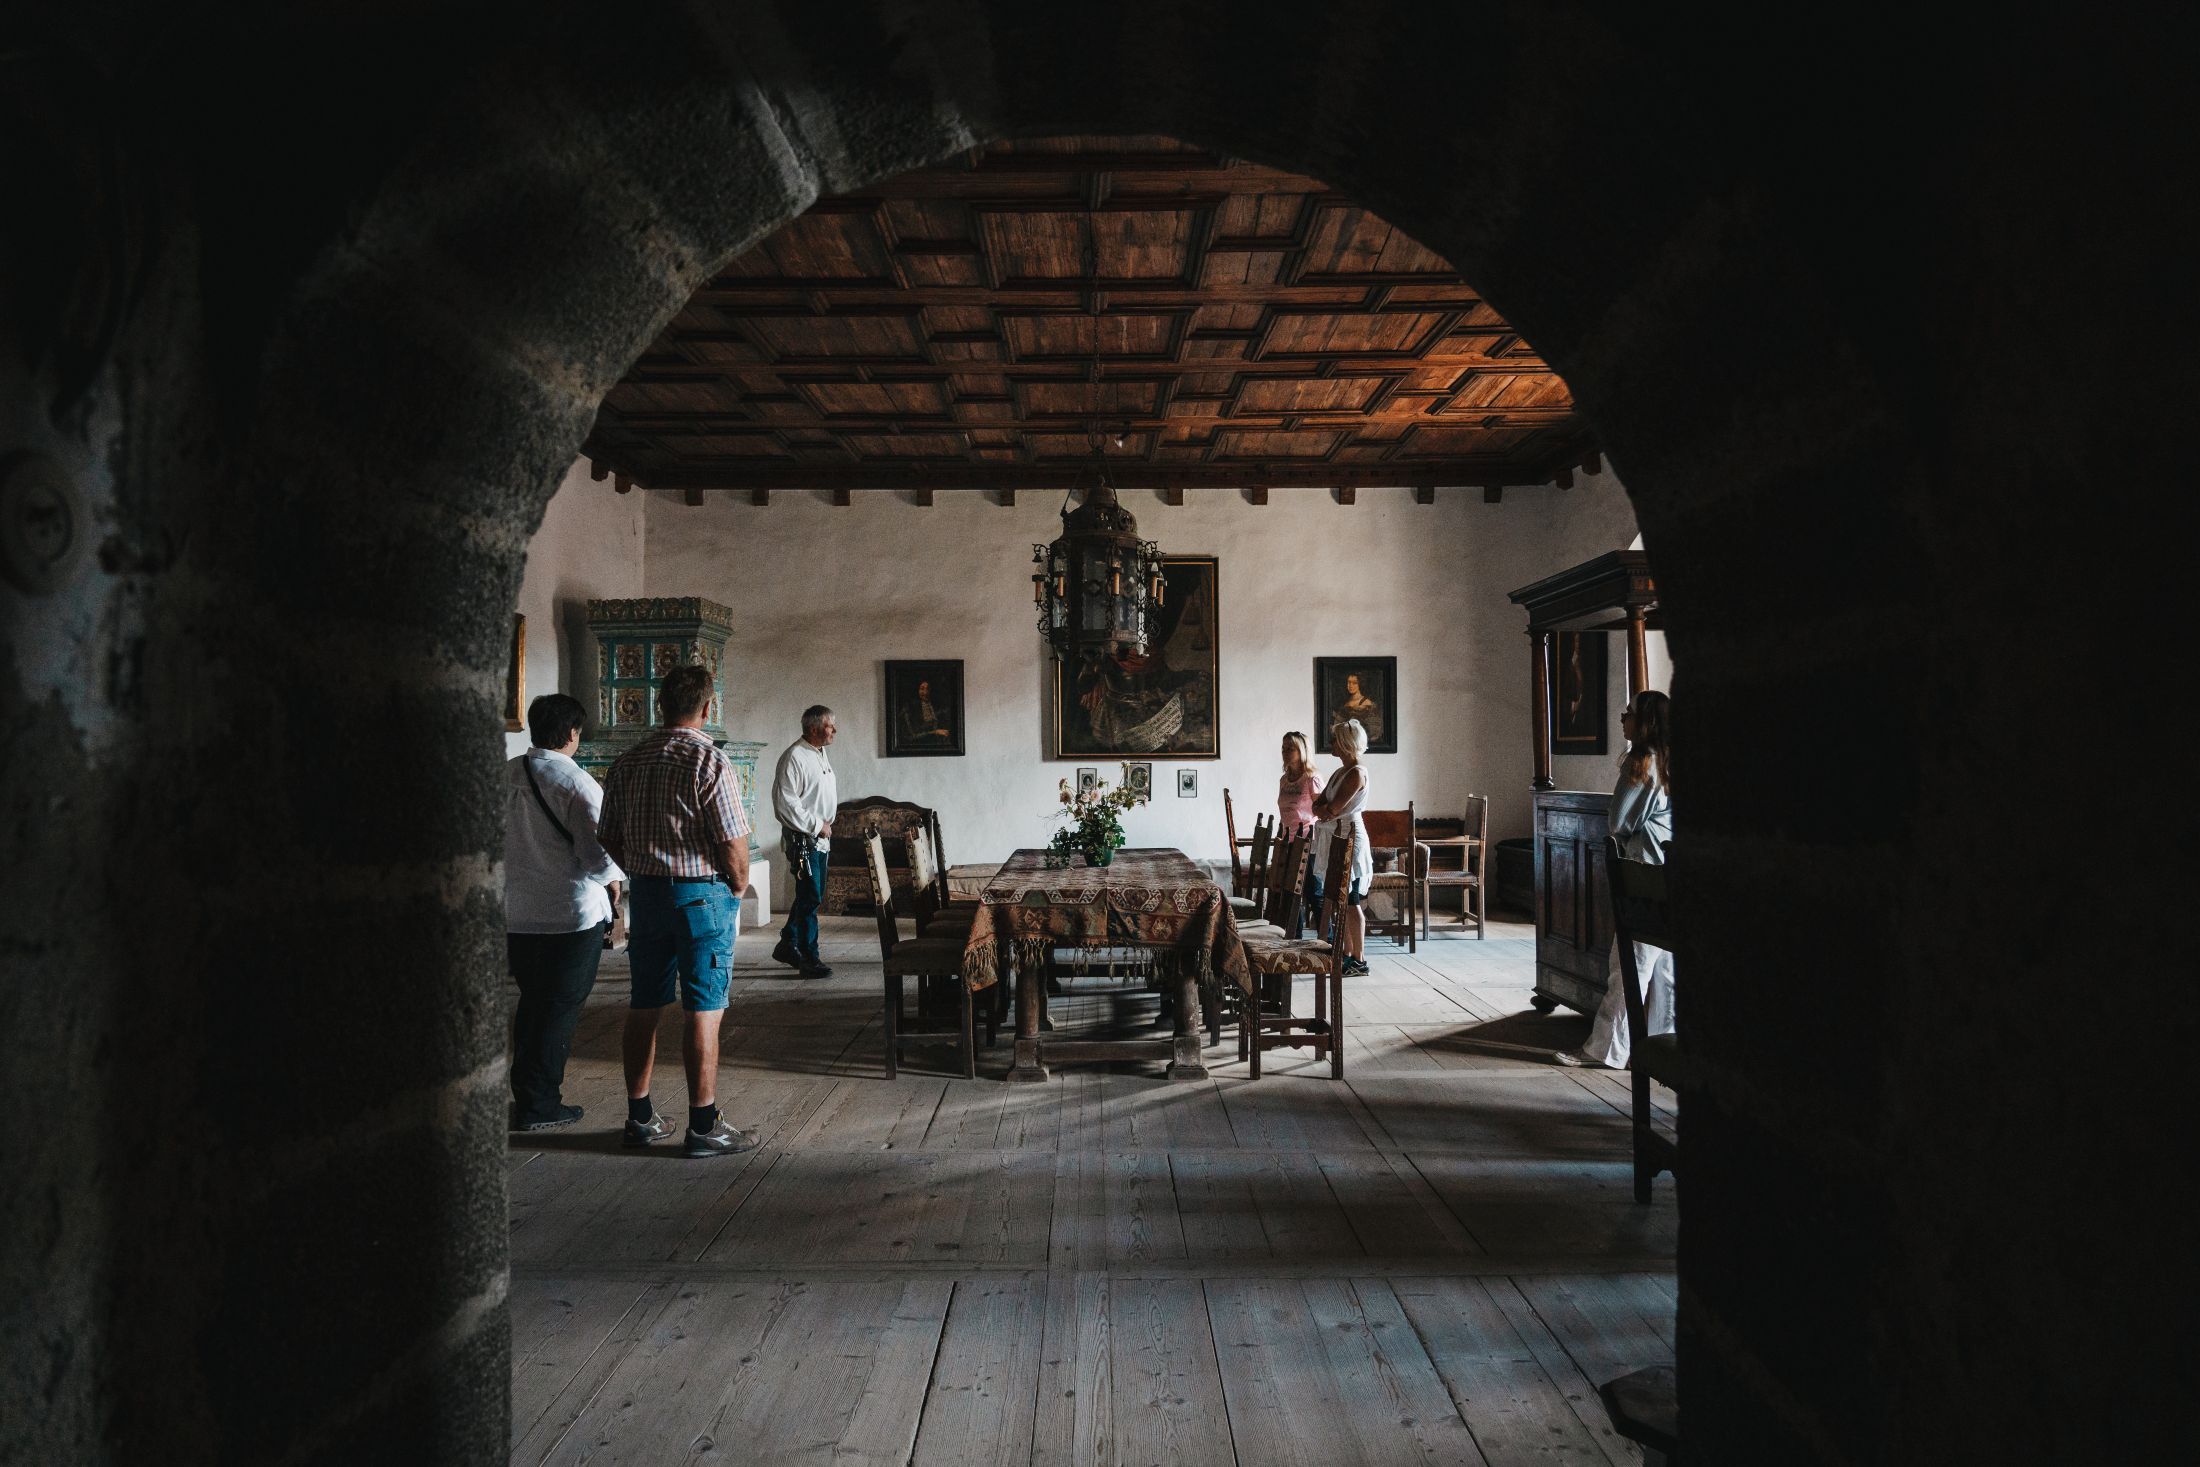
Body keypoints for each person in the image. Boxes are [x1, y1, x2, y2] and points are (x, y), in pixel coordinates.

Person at [596, 663, 759, 1157]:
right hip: (700, 895)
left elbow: (608, 836)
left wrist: (644, 871)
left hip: (647, 895)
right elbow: (733, 845)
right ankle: (704, 1126)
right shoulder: (709, 763)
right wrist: (736, 886)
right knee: (704, 1008)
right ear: (708, 708)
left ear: (658, 704)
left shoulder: (628, 761)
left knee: (644, 1002)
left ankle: (640, 1116)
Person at [503, 693, 624, 1131]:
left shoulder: (506, 774)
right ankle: (539, 1106)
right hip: (567, 917)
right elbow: (597, 855)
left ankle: (528, 1095)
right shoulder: (576, 784)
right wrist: (615, 878)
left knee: (533, 1006)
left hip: (516, 914)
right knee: (557, 1012)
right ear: (573, 734)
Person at [1556, 689, 1675, 1069]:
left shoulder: (1642, 761)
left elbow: (1619, 820)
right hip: (1673, 868)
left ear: (1644, 722)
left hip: (1644, 871)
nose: (1622, 719)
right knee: (1667, 969)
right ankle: (1662, 1047)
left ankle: (1605, 1050)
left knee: (1629, 964)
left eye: (1628, 714)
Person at [770, 705, 839, 978]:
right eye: (829, 725)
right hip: (804, 839)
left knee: (812, 895)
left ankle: (788, 942)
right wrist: (816, 825)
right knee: (810, 897)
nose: (834, 730)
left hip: (820, 837)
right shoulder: (794, 757)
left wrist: (824, 826)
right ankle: (810, 958)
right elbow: (785, 804)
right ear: (813, 728)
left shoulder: (820, 753)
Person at [1310, 718, 1376, 976]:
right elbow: (1319, 805)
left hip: (1350, 835)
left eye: (1336, 740)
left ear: (1347, 744)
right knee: (1341, 898)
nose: (1332, 745)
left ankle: (1359, 958)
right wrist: (1323, 809)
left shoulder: (1357, 773)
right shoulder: (1340, 772)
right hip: (1336, 834)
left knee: (1351, 900)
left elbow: (1333, 808)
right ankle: (1347, 953)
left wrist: (1325, 810)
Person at [1277, 731, 1325, 935]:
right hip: (1289, 841)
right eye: (1283, 748)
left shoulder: (1311, 779)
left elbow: (1324, 811)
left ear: (1302, 751)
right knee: (1289, 894)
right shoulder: (1284, 780)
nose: (1286, 752)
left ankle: (1327, 940)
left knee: (1313, 892)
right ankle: (1294, 939)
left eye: (1291, 748)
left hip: (1308, 842)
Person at [1334, 672, 1384, 746]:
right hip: (1346, 742)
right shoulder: (1345, 703)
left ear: (1360, 684)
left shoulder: (1367, 703)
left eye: (1354, 683)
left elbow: (1373, 729)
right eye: (1349, 682)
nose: (1350, 686)